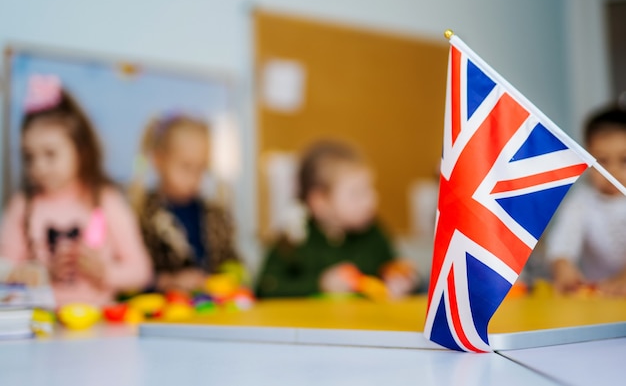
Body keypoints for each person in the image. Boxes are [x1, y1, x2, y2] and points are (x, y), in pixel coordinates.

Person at [0, 74, 152, 306]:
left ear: (80, 150)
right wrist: (40, 273)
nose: (38, 167)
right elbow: (5, 269)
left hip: (101, 326)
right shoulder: (22, 204)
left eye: (50, 154)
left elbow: (141, 271)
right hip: (42, 324)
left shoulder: (105, 199)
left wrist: (105, 272)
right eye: (29, 156)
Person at [256, 140, 419, 298]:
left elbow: (394, 268)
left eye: (370, 189)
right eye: (357, 193)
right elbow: (266, 288)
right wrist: (319, 285)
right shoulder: (295, 236)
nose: (372, 200)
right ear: (320, 202)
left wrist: (403, 280)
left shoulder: (373, 232)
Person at [130, 114, 239, 292]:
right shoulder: (141, 215)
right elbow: (129, 276)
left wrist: (226, 279)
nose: (194, 178)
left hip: (212, 311)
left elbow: (233, 263)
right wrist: (165, 282)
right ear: (159, 160)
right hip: (162, 313)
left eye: (201, 169)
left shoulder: (215, 216)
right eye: (186, 166)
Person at [546, 100, 626, 296]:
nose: (613, 171)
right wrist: (562, 265)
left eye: (624, 160)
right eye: (603, 162)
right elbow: (563, 242)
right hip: (599, 301)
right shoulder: (581, 202)